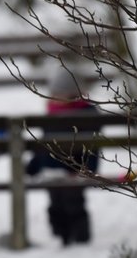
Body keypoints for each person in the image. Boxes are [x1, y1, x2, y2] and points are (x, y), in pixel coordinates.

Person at [27, 65, 99, 246]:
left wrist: (86, 169)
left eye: (60, 94)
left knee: (73, 201)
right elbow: (43, 145)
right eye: (54, 94)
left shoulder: (85, 117)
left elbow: (91, 147)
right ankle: (61, 234)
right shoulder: (51, 117)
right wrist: (32, 167)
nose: (56, 98)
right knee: (55, 203)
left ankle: (80, 236)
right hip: (51, 169)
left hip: (74, 170)